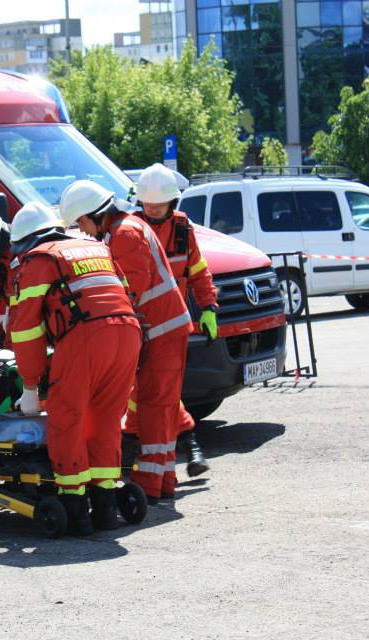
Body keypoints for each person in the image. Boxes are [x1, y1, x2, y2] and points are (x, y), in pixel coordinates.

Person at [6, 201, 141, 534]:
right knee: (106, 420)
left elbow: (26, 331)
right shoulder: (96, 248)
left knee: (67, 420)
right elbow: (125, 293)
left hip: (85, 339)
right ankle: (106, 508)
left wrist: (30, 385)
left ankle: (76, 510)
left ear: (26, 241)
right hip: (128, 333)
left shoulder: (40, 260)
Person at [59, 179, 194, 505]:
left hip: (162, 331)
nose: (83, 231)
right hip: (161, 330)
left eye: (81, 223)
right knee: (160, 407)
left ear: (94, 214)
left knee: (154, 408)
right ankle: (163, 479)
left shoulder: (125, 234)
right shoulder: (124, 229)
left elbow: (128, 291)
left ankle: (149, 483)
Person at [136, 163, 218, 479]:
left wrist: (209, 307)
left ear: (172, 202)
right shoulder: (132, 230)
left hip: (171, 327)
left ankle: (179, 447)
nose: (153, 210)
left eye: (159, 205)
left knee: (163, 391)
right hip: (140, 326)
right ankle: (187, 443)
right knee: (148, 393)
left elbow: (198, 271)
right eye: (148, 205)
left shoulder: (183, 230)